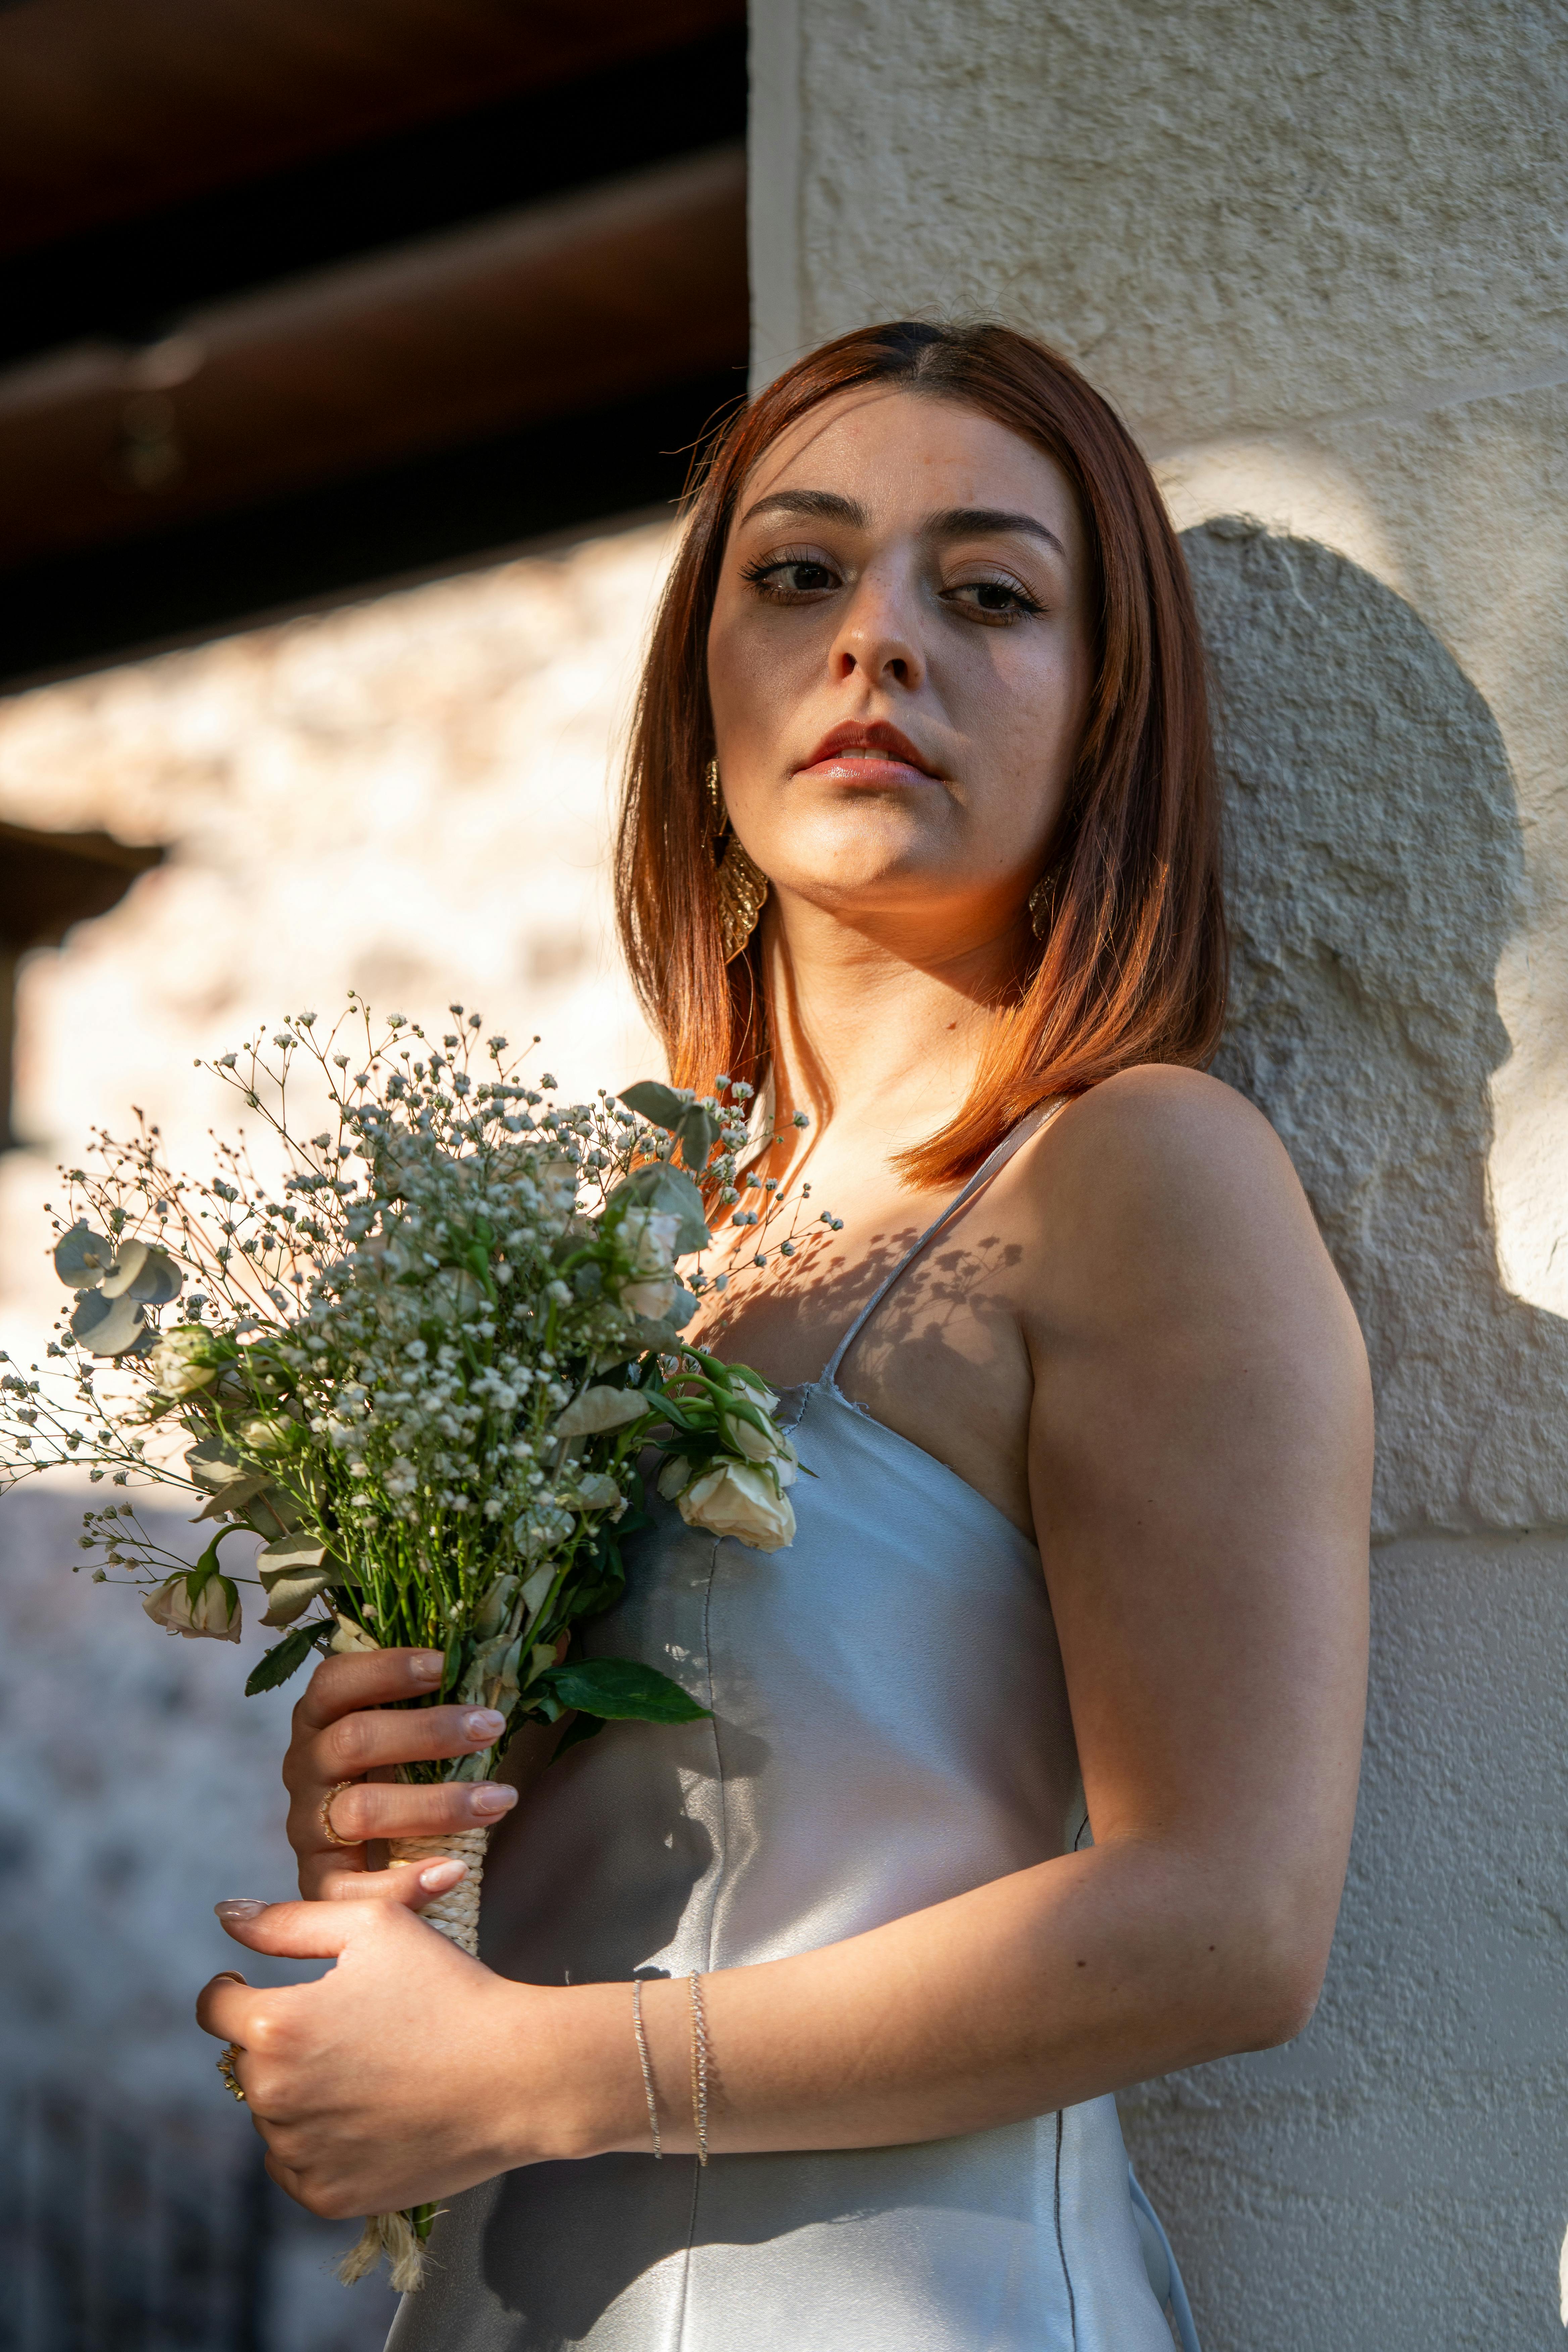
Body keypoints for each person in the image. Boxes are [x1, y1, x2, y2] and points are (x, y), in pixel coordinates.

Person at [197, 321, 1372, 2351]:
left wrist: (542, 2075)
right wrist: (402, 1797)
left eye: (988, 593)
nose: (875, 646)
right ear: (704, 694)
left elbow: (1230, 1925)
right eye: (799, 574)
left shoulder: (1139, 1172)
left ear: (1107, 717)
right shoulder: (626, 1257)